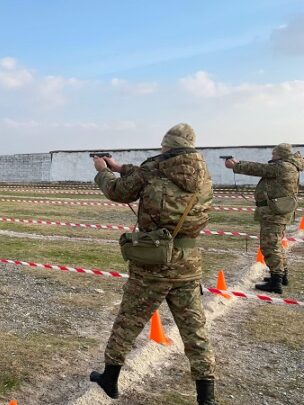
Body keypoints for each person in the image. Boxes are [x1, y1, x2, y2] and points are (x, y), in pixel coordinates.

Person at [89, 123, 217, 404]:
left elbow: (120, 191)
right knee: (195, 330)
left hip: (153, 262)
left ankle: (110, 378)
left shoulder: (153, 169)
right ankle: (206, 395)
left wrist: (104, 172)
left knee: (128, 322)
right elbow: (150, 175)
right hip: (188, 262)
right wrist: (122, 167)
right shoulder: (205, 176)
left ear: (167, 146)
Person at [224, 144, 303, 293]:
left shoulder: (283, 166)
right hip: (277, 211)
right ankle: (280, 275)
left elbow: (258, 168)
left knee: (270, 245)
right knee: (276, 244)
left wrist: (236, 165)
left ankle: (276, 282)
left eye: (274, 154)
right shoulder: (289, 166)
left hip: (274, 213)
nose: (272, 157)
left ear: (280, 155)